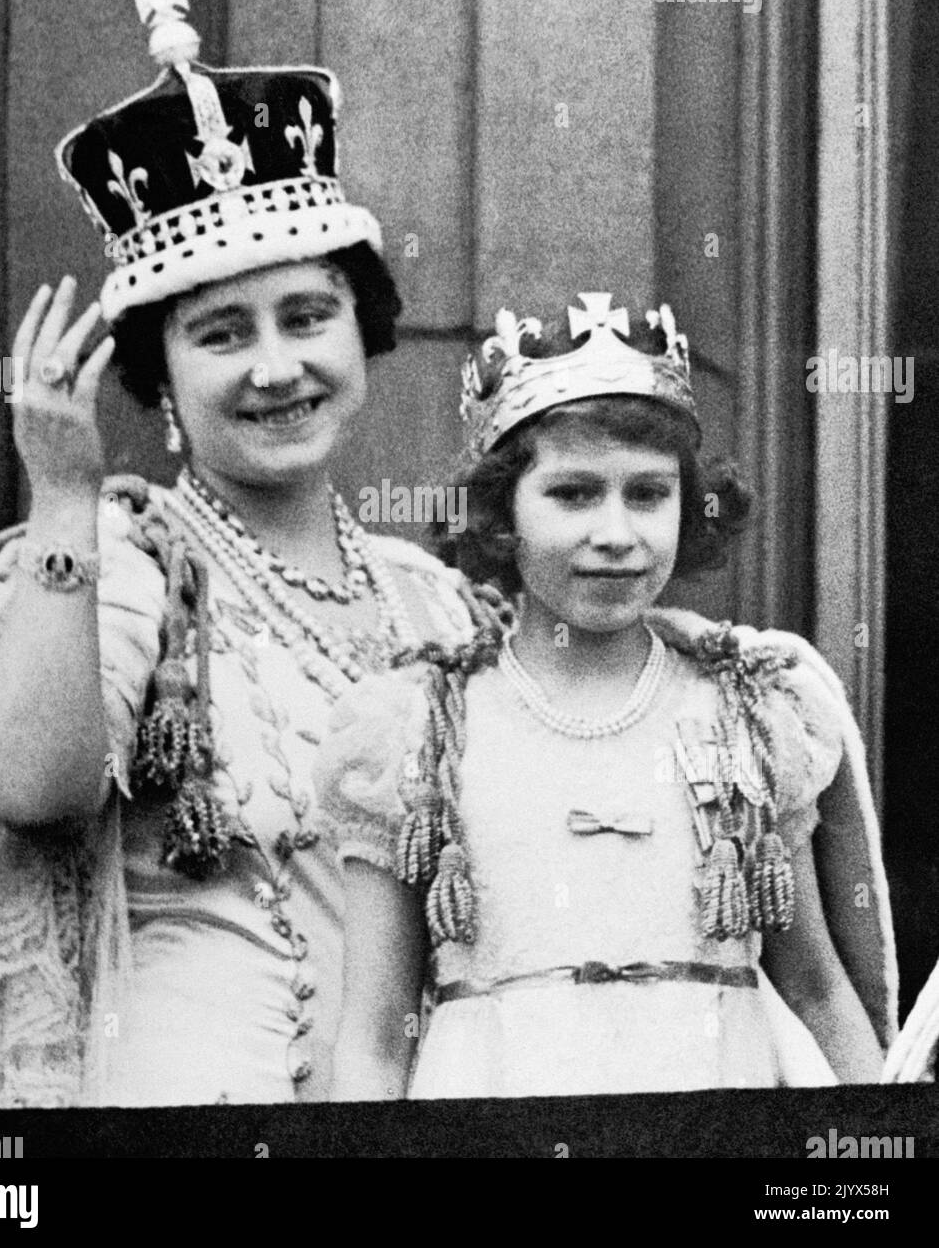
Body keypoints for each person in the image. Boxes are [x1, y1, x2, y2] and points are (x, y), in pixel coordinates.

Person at [0, 0, 472, 1107]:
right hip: (182, 1114)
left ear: (362, 331)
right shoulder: (123, 564)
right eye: (221, 334)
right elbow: (33, 792)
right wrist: (63, 498)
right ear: (159, 377)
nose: (276, 368)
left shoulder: (430, 601)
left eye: (308, 317)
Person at [316, 291, 898, 1099]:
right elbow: (376, 1037)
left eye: (648, 494)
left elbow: (816, 988)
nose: (617, 533)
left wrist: (879, 1162)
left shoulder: (747, 707)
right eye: (575, 494)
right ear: (498, 511)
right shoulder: (420, 727)